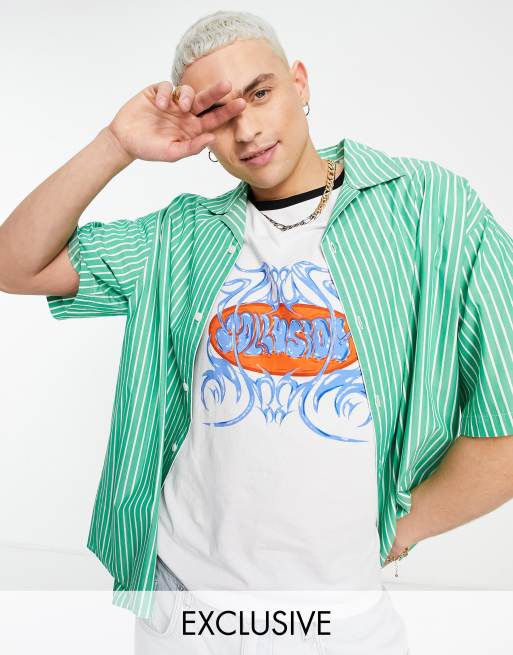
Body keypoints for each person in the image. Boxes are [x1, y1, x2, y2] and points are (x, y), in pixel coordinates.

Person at [1, 9, 512, 655]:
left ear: (299, 82)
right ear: (198, 133)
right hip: (183, 611)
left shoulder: (430, 209)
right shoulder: (178, 237)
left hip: (338, 620)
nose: (246, 129)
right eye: (218, 115)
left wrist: (399, 530)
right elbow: (16, 265)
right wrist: (116, 143)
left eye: (261, 93)